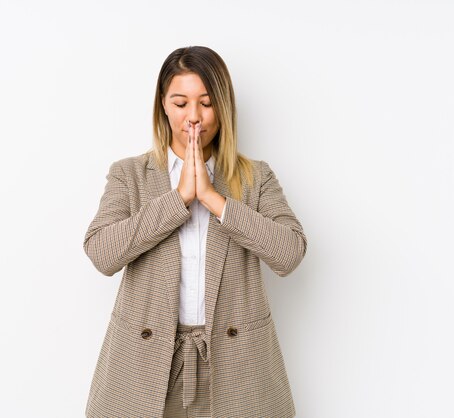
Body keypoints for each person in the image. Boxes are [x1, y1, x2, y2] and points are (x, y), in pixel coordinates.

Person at [83, 45, 307, 417]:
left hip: (236, 367)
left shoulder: (256, 178)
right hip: (147, 365)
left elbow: (290, 254)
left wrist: (214, 199)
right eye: (180, 102)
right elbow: (102, 253)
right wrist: (180, 198)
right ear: (164, 106)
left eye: (206, 102)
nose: (194, 117)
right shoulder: (130, 174)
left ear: (223, 106)